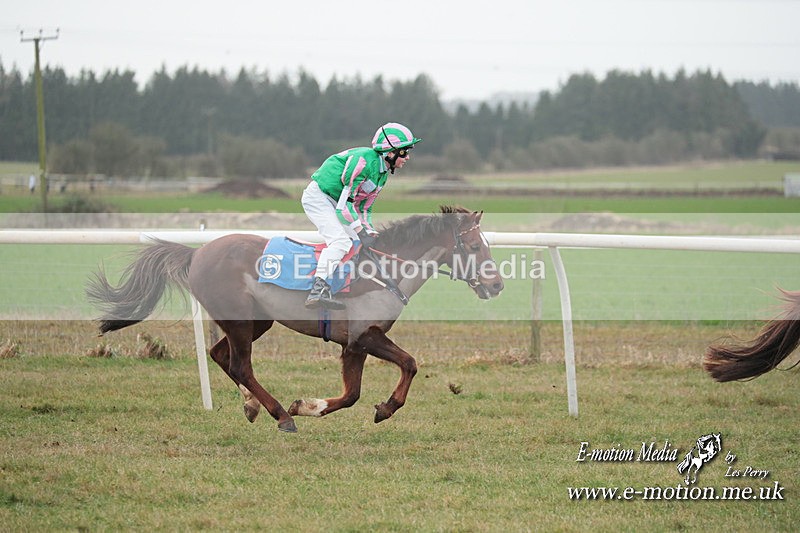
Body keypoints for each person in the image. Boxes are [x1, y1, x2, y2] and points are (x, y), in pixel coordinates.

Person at [301, 122, 422, 310]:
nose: (408, 157)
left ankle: (346, 286)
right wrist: (360, 231)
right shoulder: (363, 162)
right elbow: (344, 208)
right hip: (319, 198)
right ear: (390, 152)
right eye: (404, 152)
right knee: (341, 242)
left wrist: (370, 232)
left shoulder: (383, 174)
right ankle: (317, 289)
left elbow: (364, 210)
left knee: (360, 242)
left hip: (338, 202)